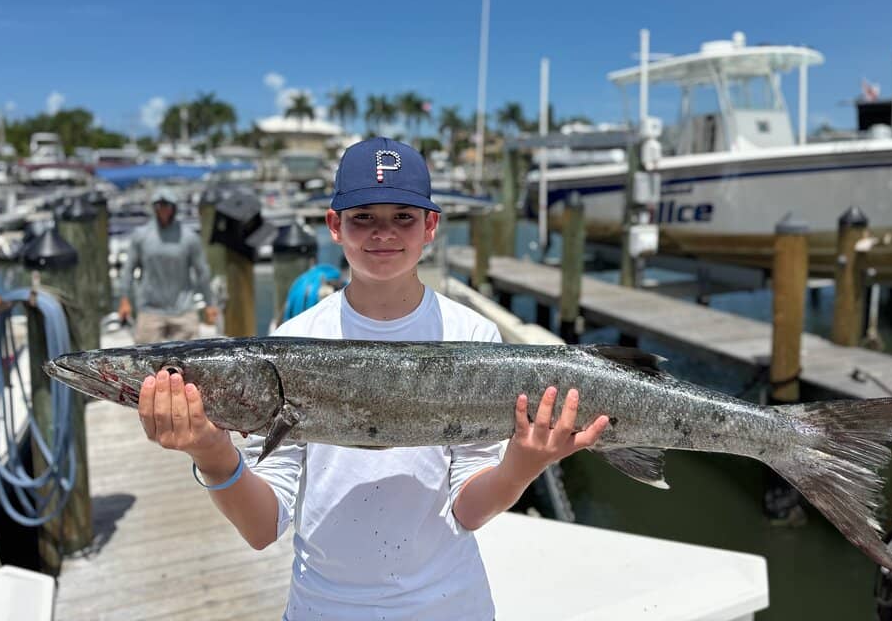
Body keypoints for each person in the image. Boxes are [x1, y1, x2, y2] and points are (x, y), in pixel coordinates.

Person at [136, 138, 609, 620]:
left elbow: (468, 511)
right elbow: (262, 528)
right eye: (363, 217)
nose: (383, 232)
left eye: (403, 216)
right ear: (335, 226)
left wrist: (522, 465)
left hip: (449, 605)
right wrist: (212, 454)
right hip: (323, 607)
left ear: (430, 227)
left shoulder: (472, 334)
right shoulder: (296, 337)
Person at [118, 187, 219, 344]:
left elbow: (202, 272)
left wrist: (209, 304)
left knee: (188, 361)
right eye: (159, 206)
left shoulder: (189, 237)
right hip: (150, 309)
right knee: (144, 360)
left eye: (167, 206)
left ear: (174, 208)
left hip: (183, 309)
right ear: (154, 208)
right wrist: (124, 299)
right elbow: (128, 270)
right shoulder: (141, 235)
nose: (163, 210)